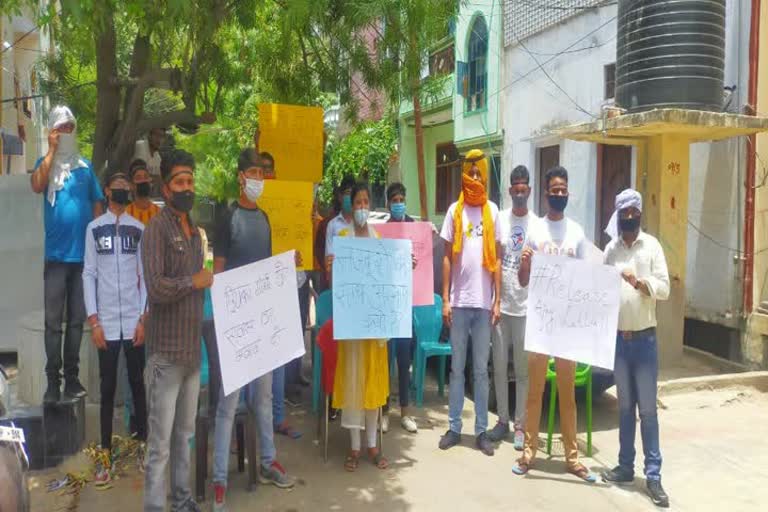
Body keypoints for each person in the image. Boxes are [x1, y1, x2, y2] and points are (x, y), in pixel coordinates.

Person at [208, 148, 296, 511]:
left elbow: (268, 270)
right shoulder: (227, 218)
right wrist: (228, 321)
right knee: (228, 406)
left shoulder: (265, 219)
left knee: (262, 399)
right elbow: (219, 273)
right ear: (241, 176)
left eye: (263, 172)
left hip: (263, 329)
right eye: (254, 172)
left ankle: (268, 461)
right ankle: (218, 481)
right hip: (235, 330)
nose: (260, 178)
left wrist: (288, 265)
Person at [513, 165, 596, 482]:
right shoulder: (535, 231)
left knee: (567, 394)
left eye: (563, 190)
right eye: (554, 190)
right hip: (541, 321)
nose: (559, 194)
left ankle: (572, 458)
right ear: (545, 193)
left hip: (567, 325)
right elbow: (522, 282)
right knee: (534, 392)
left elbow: (584, 278)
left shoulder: (576, 232)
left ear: (567, 193)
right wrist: (524, 264)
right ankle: (528, 455)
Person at [142, 149, 211, 512]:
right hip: (165, 357)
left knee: (185, 436)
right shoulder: (156, 229)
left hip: (191, 355)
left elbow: (204, 282)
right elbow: (155, 287)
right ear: (166, 189)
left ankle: (182, 501)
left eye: (190, 180)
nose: (187, 187)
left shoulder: (196, 233)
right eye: (180, 182)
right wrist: (193, 281)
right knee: (160, 445)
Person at [601, 189, 671, 508]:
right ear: (617, 217)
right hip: (619, 340)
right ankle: (625, 466)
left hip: (644, 340)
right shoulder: (611, 250)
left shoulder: (651, 246)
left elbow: (666, 288)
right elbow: (597, 284)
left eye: (632, 214)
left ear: (639, 215)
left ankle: (653, 476)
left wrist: (642, 284)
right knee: (625, 408)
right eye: (622, 215)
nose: (628, 219)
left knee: (648, 411)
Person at [30, 105, 104, 404]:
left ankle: (72, 379)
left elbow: (97, 206)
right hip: (56, 258)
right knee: (52, 323)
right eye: (60, 129)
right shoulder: (45, 164)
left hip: (83, 260)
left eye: (70, 128)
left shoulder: (85, 169)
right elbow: (36, 185)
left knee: (76, 322)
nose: (66, 134)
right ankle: (52, 381)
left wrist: (98, 251)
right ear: (52, 132)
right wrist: (50, 151)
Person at [82, 172, 148, 483]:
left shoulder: (139, 230)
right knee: (108, 390)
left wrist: (143, 318)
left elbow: (145, 276)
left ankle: (143, 447)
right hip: (106, 323)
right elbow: (89, 275)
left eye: (126, 188)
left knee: (138, 385)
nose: (121, 191)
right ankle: (105, 456)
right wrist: (93, 320)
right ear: (107, 190)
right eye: (116, 187)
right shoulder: (94, 230)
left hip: (134, 322)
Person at [438, 149, 501, 457]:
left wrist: (497, 299)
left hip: (484, 305)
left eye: (479, 173)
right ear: (464, 174)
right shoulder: (455, 211)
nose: (474, 178)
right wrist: (446, 299)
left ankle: (481, 432)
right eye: (470, 173)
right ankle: (453, 427)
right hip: (460, 304)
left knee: (480, 370)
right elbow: (448, 257)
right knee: (456, 369)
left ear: (485, 175)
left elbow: (498, 259)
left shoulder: (493, 211)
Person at [325, 182, 390, 471]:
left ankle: (373, 445)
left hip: (374, 327)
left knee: (373, 385)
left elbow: (389, 279)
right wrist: (331, 268)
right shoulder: (342, 237)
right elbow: (335, 284)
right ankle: (354, 447)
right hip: (352, 326)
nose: (362, 207)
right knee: (353, 383)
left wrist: (405, 265)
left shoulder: (379, 240)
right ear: (351, 206)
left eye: (366, 202)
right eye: (358, 202)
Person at [487, 165, 538, 450]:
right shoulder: (501, 220)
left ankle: (520, 425)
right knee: (498, 367)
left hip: (526, 309)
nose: (519, 190)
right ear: (510, 190)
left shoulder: (537, 225)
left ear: (529, 190)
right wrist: (495, 299)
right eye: (515, 186)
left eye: (524, 186)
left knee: (522, 371)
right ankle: (502, 421)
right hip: (502, 307)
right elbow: (495, 260)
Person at [383, 182, 417, 433]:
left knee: (404, 360)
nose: (398, 203)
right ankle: (384, 410)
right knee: (385, 360)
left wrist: (415, 262)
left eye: (401, 199)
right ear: (388, 204)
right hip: (386, 304)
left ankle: (405, 412)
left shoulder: (415, 229)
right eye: (394, 200)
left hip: (406, 304)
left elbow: (423, 262)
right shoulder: (382, 231)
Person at [324, 175, 356, 258]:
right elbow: (329, 256)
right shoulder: (332, 225)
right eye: (348, 193)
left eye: (353, 194)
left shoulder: (362, 224)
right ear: (340, 197)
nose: (351, 197)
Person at [126, 159, 161, 225]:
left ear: (150, 183)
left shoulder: (159, 213)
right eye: (138, 178)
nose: (143, 181)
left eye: (146, 177)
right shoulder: (125, 214)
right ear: (131, 185)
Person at [133, 127, 165, 196]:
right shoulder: (141, 146)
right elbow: (140, 173)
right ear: (149, 136)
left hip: (145, 194)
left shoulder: (158, 157)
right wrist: (157, 178)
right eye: (156, 135)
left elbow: (159, 180)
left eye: (162, 137)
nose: (159, 139)